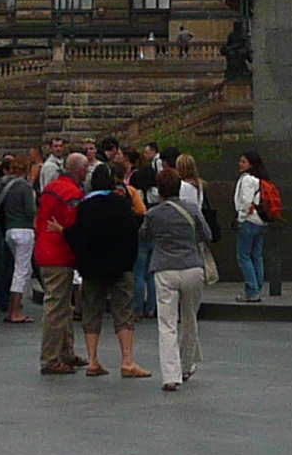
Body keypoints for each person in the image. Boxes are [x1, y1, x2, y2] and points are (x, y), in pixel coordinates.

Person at [67, 163, 149, 379]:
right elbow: (132, 233)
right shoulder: (120, 204)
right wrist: (127, 261)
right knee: (123, 313)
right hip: (119, 267)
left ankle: (93, 359)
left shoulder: (84, 206)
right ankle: (127, 361)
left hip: (92, 268)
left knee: (92, 313)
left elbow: (77, 235)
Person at [145, 168, 210, 390]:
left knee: (167, 323)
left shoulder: (153, 214)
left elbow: (144, 235)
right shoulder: (191, 208)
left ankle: (170, 376)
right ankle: (186, 364)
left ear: (159, 190)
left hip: (164, 267)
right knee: (190, 317)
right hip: (192, 266)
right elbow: (206, 235)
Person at [36, 152, 88, 374]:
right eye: (85, 169)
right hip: (59, 253)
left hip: (44, 248)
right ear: (78, 170)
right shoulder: (72, 193)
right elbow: (73, 224)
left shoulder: (52, 187)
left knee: (62, 305)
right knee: (57, 307)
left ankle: (65, 352)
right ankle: (50, 358)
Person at [0, 154, 41, 324]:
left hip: (9, 229)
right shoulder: (25, 187)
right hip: (24, 229)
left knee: (19, 268)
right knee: (22, 271)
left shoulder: (5, 185)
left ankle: (13, 306)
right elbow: (30, 211)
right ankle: (15, 310)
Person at [232, 152, 272, 304]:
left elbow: (246, 201)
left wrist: (241, 218)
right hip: (261, 221)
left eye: (243, 161)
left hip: (249, 221)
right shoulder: (260, 179)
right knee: (257, 255)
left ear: (251, 164)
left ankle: (252, 290)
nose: (240, 164)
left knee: (244, 256)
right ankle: (257, 286)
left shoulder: (247, 180)